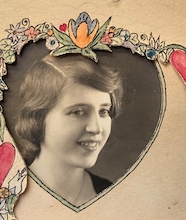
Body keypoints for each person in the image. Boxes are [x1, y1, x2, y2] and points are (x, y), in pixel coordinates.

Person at [9, 54, 123, 206]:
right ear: (39, 117)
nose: (96, 128)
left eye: (103, 112)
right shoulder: (7, 196)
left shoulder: (113, 197)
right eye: (78, 112)